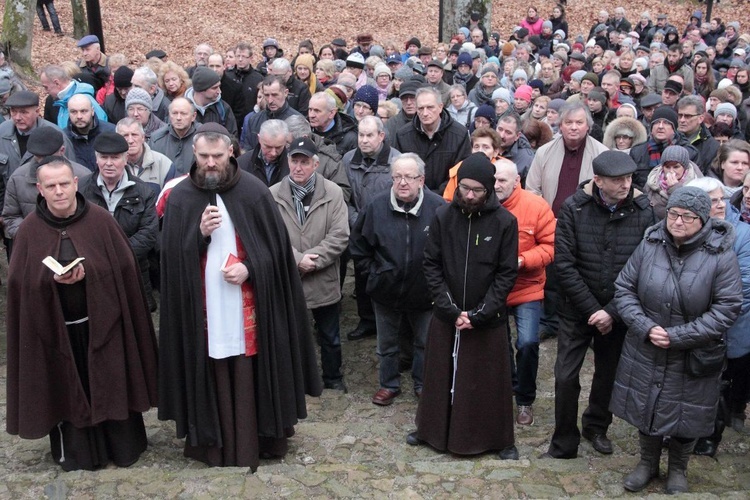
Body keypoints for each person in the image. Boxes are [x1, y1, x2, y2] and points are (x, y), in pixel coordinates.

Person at [158, 123, 322, 470]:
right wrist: (197, 235)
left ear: (232, 151)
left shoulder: (253, 191)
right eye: (204, 156)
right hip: (204, 306)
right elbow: (170, 258)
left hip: (249, 302)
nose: (211, 163)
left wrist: (250, 267)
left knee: (251, 364)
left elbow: (276, 253)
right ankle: (211, 443)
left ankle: (260, 437)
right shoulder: (182, 197)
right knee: (210, 360)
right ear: (194, 154)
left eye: (217, 156)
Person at [6, 156, 158, 471]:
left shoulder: (101, 220)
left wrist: (89, 272)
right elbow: (20, 281)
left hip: (104, 325)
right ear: (40, 189)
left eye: (65, 183)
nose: (59, 191)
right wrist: (49, 279)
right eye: (51, 186)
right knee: (66, 389)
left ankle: (124, 447)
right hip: (56, 331)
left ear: (76, 183)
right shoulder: (30, 231)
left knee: (112, 383)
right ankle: (77, 453)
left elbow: (125, 266)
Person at [611, 186, 741, 494]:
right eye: (673, 213)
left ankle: (679, 468)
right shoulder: (650, 243)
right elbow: (624, 288)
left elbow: (727, 308)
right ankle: (647, 464)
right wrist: (645, 326)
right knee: (647, 406)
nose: (677, 221)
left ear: (703, 220)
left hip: (692, 351)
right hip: (646, 344)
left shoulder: (720, 255)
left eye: (687, 216)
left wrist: (677, 336)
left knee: (686, 410)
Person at [406, 152, 519, 460]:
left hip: (487, 316)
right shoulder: (443, 216)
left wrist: (481, 313)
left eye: (477, 190)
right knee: (439, 375)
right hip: (448, 312)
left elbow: (507, 272)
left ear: (489, 189)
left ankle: (497, 439)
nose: (469, 195)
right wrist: (448, 307)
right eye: (465, 188)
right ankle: (432, 430)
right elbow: (431, 263)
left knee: (488, 381)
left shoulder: (506, 222)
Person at [543, 151, 655, 460]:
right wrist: (593, 310)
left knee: (608, 374)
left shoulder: (643, 211)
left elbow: (644, 267)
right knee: (565, 376)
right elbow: (564, 265)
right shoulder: (573, 208)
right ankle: (564, 440)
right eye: (618, 180)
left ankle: (596, 425)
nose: (626, 185)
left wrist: (612, 311)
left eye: (629, 179)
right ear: (599, 181)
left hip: (618, 310)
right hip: (575, 309)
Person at [350, 152, 445, 405]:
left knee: (424, 343)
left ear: (421, 180)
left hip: (424, 292)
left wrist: (437, 284)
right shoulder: (376, 206)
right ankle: (388, 384)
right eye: (397, 177)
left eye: (409, 177)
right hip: (385, 291)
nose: (403, 182)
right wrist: (373, 275)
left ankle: (422, 383)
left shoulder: (438, 209)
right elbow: (359, 246)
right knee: (386, 345)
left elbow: (448, 251)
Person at [269, 137, 349, 392]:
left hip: (323, 278)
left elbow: (340, 236)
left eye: (304, 162)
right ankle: (295, 379)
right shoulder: (272, 195)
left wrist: (312, 261)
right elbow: (270, 236)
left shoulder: (333, 192)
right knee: (289, 336)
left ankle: (333, 378)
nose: (298, 167)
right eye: (294, 161)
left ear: (316, 165)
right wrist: (297, 259)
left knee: (330, 336)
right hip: (288, 279)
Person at [685, 177, 750, 458]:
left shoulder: (743, 234)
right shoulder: (683, 231)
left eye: (722, 198)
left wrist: (711, 318)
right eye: (713, 200)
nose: (721, 205)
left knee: (719, 382)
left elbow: (745, 286)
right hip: (687, 322)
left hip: (728, 325)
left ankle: (711, 434)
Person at [493, 158, 556, 426]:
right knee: (498, 344)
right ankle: (507, 386)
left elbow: (551, 247)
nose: (496, 185)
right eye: (493, 180)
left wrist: (522, 260)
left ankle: (525, 400)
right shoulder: (483, 205)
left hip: (526, 286)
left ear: (516, 181)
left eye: (502, 180)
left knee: (528, 342)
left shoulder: (535, 206)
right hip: (493, 288)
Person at [78, 132, 158, 311]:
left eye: (114, 158)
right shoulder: (81, 191)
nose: (108, 163)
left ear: (125, 159)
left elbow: (148, 234)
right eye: (103, 157)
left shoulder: (144, 192)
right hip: (93, 271)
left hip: (132, 270)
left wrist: (116, 254)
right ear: (96, 159)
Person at [394, 87, 471, 193]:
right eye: (421, 108)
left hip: (447, 200)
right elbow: (398, 171)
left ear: (440, 107)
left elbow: (460, 172)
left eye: (430, 107)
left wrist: (436, 196)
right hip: (412, 198)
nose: (425, 113)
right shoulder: (403, 135)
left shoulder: (459, 134)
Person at [148, 97, 198, 175]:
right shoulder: (157, 139)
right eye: (174, 113)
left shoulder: (202, 137)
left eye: (183, 113)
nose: (178, 118)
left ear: (193, 116)